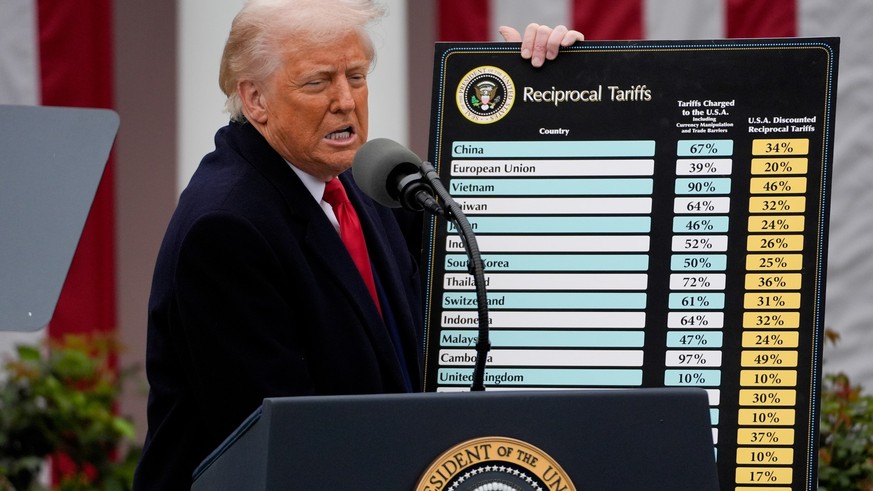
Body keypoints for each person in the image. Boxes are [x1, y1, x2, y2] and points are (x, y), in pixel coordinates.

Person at [132, 1, 584, 488]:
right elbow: (285, 448)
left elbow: (486, 252)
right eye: (317, 82)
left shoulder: (365, 181)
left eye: (356, 76)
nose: (346, 101)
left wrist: (539, 93)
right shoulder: (227, 228)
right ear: (255, 99)